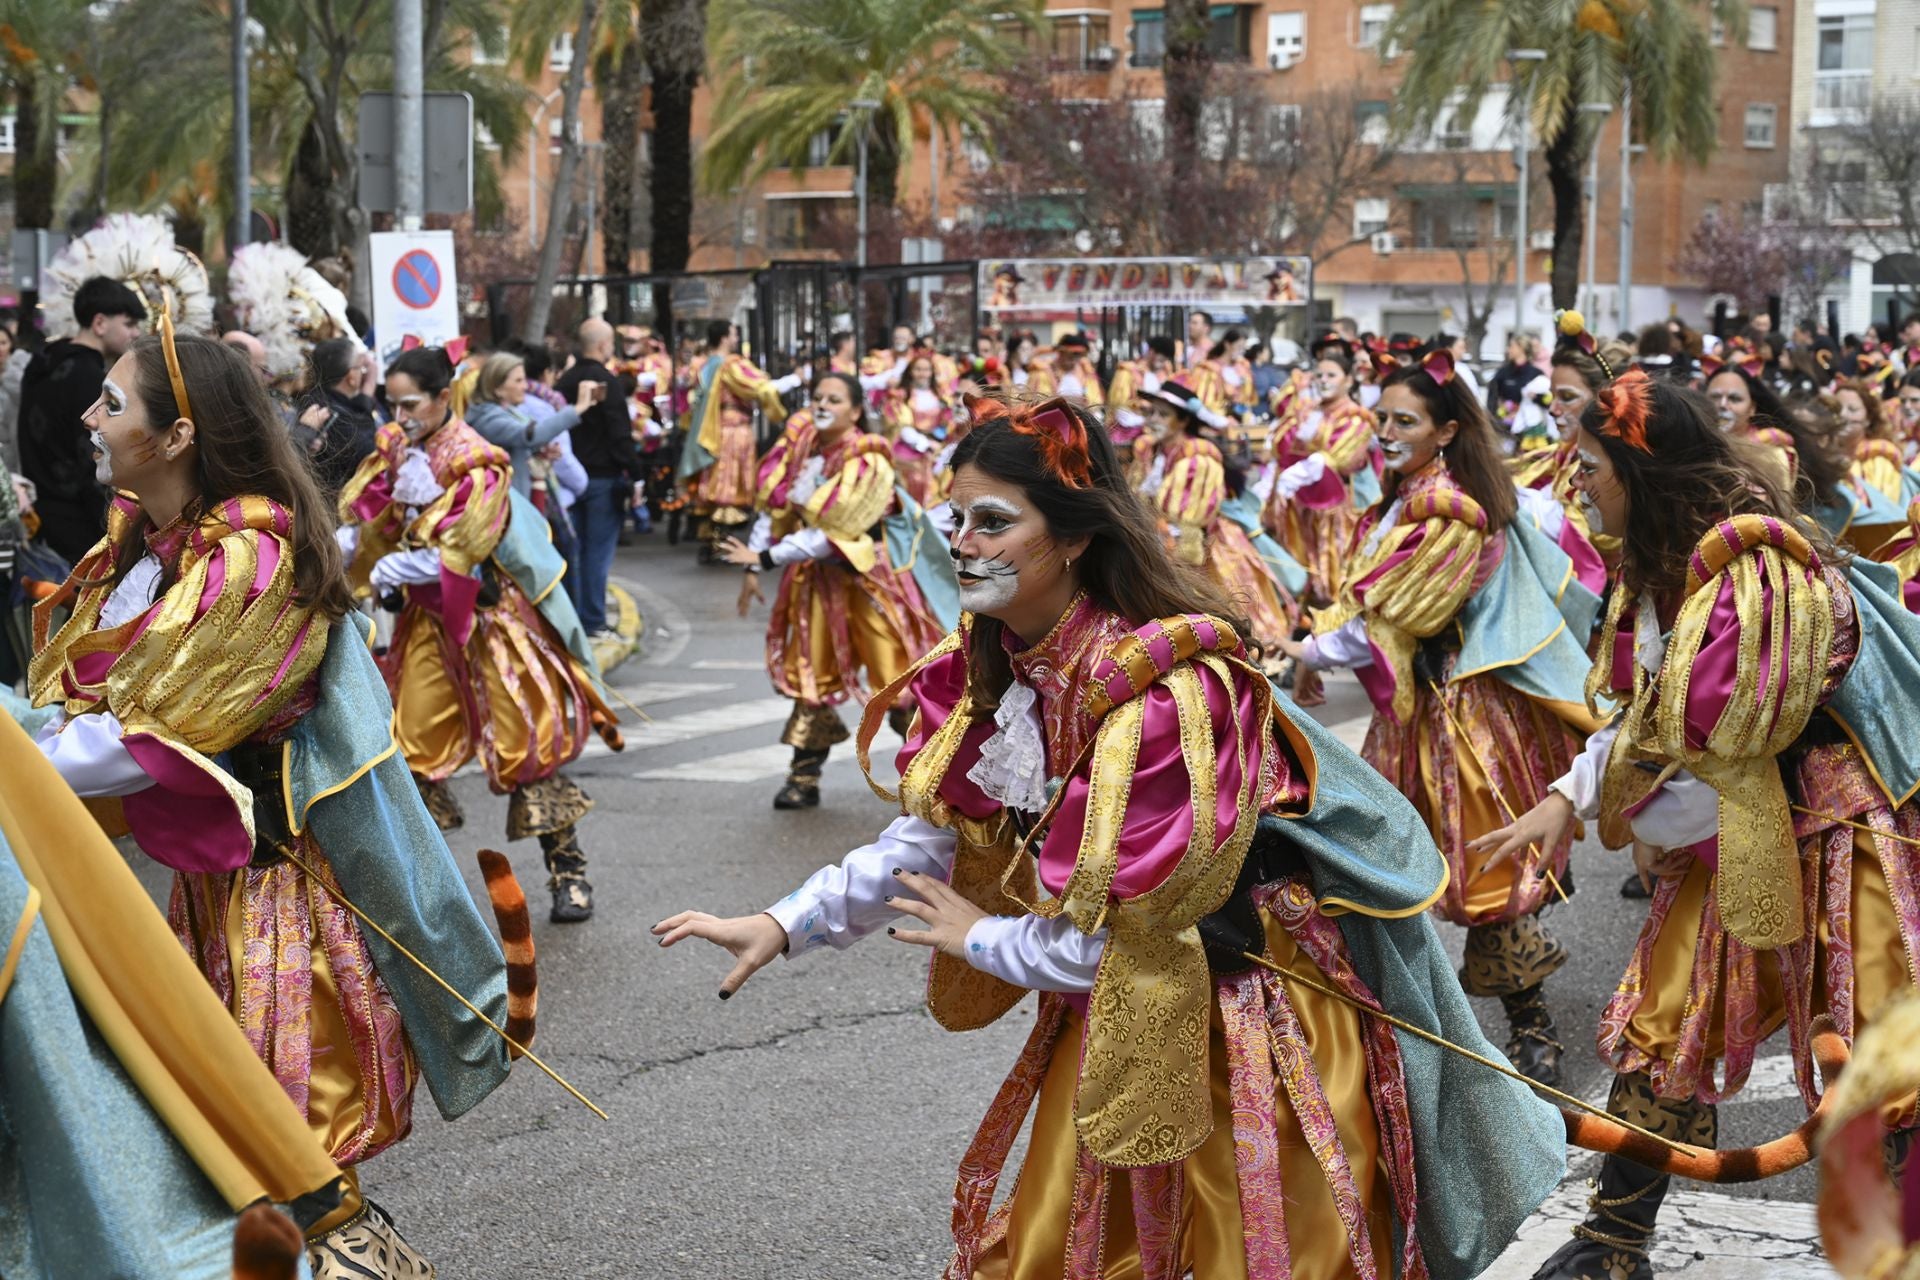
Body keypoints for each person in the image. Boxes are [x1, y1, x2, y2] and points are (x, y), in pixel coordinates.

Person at [655, 394, 1564, 1279]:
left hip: (1240, 1012)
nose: (961, 546)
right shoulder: (994, 665)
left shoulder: (1169, 699)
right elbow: (940, 837)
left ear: (1076, 534)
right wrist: (786, 923)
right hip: (1127, 1014)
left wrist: (977, 936)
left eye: (991, 522)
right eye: (953, 518)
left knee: (1252, 1250)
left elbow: (1127, 934)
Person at [29, 330, 526, 1274]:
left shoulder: (253, 556)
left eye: (110, 404)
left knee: (285, 1139)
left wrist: (21, 763)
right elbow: (92, 697)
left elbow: (156, 735)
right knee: (238, 1143)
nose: (90, 422)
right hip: (215, 890)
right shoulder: (147, 543)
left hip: (282, 896)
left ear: (177, 436)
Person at [1476, 369, 1920, 1279]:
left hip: (1834, 829)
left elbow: (1707, 734)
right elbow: (1656, 716)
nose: (1575, 487)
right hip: (1737, 830)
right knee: (1664, 1020)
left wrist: (1606, 799)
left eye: (1590, 467)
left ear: (1642, 473)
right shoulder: (1672, 565)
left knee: (1885, 1049)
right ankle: (1615, 1240)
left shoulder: (1753, 571)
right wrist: (1571, 793)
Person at [1275, 347, 1603, 1087]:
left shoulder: (1447, 510)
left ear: (1447, 430)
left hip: (1461, 715)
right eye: (1382, 417)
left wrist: (1303, 644)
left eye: (1405, 420)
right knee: (1381, 865)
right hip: (1414, 712)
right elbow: (1366, 603)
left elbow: (1396, 619)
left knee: (1483, 871)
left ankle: (1532, 1026)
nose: (1386, 432)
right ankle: (1402, 1034)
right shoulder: (1401, 498)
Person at [339, 344, 624, 923]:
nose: (400, 417)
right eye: (392, 405)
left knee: (527, 745)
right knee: (411, 743)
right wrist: (357, 551)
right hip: (428, 623)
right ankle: (424, 895)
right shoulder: (397, 449)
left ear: (445, 396)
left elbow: (466, 543)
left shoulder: (477, 459)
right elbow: (371, 518)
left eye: (411, 404)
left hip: (491, 620)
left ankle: (569, 874)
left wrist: (402, 564)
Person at [721, 372, 951, 809]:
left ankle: (934, 782)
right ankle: (803, 776)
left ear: (856, 411)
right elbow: (778, 511)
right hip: (816, 582)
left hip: (870, 582)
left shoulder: (868, 459)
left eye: (834, 398)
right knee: (812, 672)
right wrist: (754, 559)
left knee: (896, 679)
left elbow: (835, 530)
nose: (822, 405)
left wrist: (766, 559)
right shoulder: (805, 452)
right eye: (817, 397)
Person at [1138, 377, 1301, 667]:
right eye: (1151, 412)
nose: (1153, 420)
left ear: (1183, 421)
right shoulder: (1156, 451)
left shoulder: (1198, 456)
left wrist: (1171, 548)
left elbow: (1188, 517)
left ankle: (1256, 654)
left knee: (1226, 600)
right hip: (1165, 539)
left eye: (1163, 414)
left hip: (1204, 541)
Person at [17, 275, 145, 563]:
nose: (136, 333)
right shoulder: (88, 377)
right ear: (100, 323)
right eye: (129, 324)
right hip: (80, 524)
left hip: (41, 515)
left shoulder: (41, 363)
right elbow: (92, 458)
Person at [1262, 344, 1379, 610]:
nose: (1323, 381)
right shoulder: (1309, 410)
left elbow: (1340, 458)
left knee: (1334, 567)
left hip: (1335, 511)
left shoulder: (1357, 417)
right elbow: (1283, 446)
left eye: (1331, 375)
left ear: (1349, 380)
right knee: (1301, 562)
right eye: (1320, 375)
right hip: (1300, 508)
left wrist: (1302, 468)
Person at [678, 319, 804, 562]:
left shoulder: (703, 366)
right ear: (725, 337)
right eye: (734, 334)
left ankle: (712, 542)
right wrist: (794, 380)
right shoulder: (730, 365)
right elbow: (762, 388)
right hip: (733, 433)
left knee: (714, 485)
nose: (736, 339)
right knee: (727, 488)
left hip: (713, 432)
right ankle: (721, 545)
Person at [555, 318, 640, 637]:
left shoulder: (563, 382)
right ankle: (592, 620)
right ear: (604, 345)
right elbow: (620, 435)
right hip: (603, 479)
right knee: (597, 553)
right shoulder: (608, 382)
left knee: (571, 551)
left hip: (568, 479)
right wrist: (636, 474)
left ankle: (570, 620)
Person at [465, 349, 600, 499]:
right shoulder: (487, 419)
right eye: (518, 381)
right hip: (505, 506)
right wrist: (578, 408)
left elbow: (518, 446)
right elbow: (530, 435)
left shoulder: (507, 412)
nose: (525, 386)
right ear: (497, 388)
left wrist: (539, 452)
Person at [301, 337, 381, 500]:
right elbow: (371, 456)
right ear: (351, 377)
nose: (364, 372)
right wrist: (369, 389)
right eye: (361, 367)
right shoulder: (331, 417)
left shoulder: (312, 399)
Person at [881, 353, 953, 506]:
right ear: (911, 371)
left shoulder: (941, 395)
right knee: (916, 476)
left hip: (937, 443)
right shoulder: (900, 396)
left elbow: (947, 420)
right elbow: (902, 426)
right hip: (909, 445)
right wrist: (924, 443)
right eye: (918, 369)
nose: (922, 373)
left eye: (926, 369)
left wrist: (938, 440)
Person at [1102, 334, 1176, 447]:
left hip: (1156, 437)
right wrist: (1145, 422)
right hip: (1127, 436)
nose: (1163, 363)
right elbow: (1120, 411)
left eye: (1165, 359)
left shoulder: (1166, 375)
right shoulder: (1127, 373)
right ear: (1151, 352)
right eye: (1161, 358)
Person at [1486, 330, 1541, 419]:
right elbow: (1492, 399)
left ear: (1521, 348)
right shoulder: (1502, 373)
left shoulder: (1536, 374)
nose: (1508, 350)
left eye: (1511, 346)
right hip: (1504, 424)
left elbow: (1544, 401)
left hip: (1529, 427)